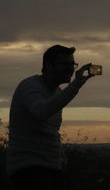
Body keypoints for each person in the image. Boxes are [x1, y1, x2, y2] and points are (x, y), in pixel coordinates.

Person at [6, 45, 95, 190]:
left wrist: (60, 158)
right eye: (64, 64)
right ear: (48, 65)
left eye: (72, 64)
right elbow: (41, 111)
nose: (70, 69)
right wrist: (76, 85)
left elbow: (51, 130)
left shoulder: (57, 92)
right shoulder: (30, 86)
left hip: (52, 168)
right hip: (29, 169)